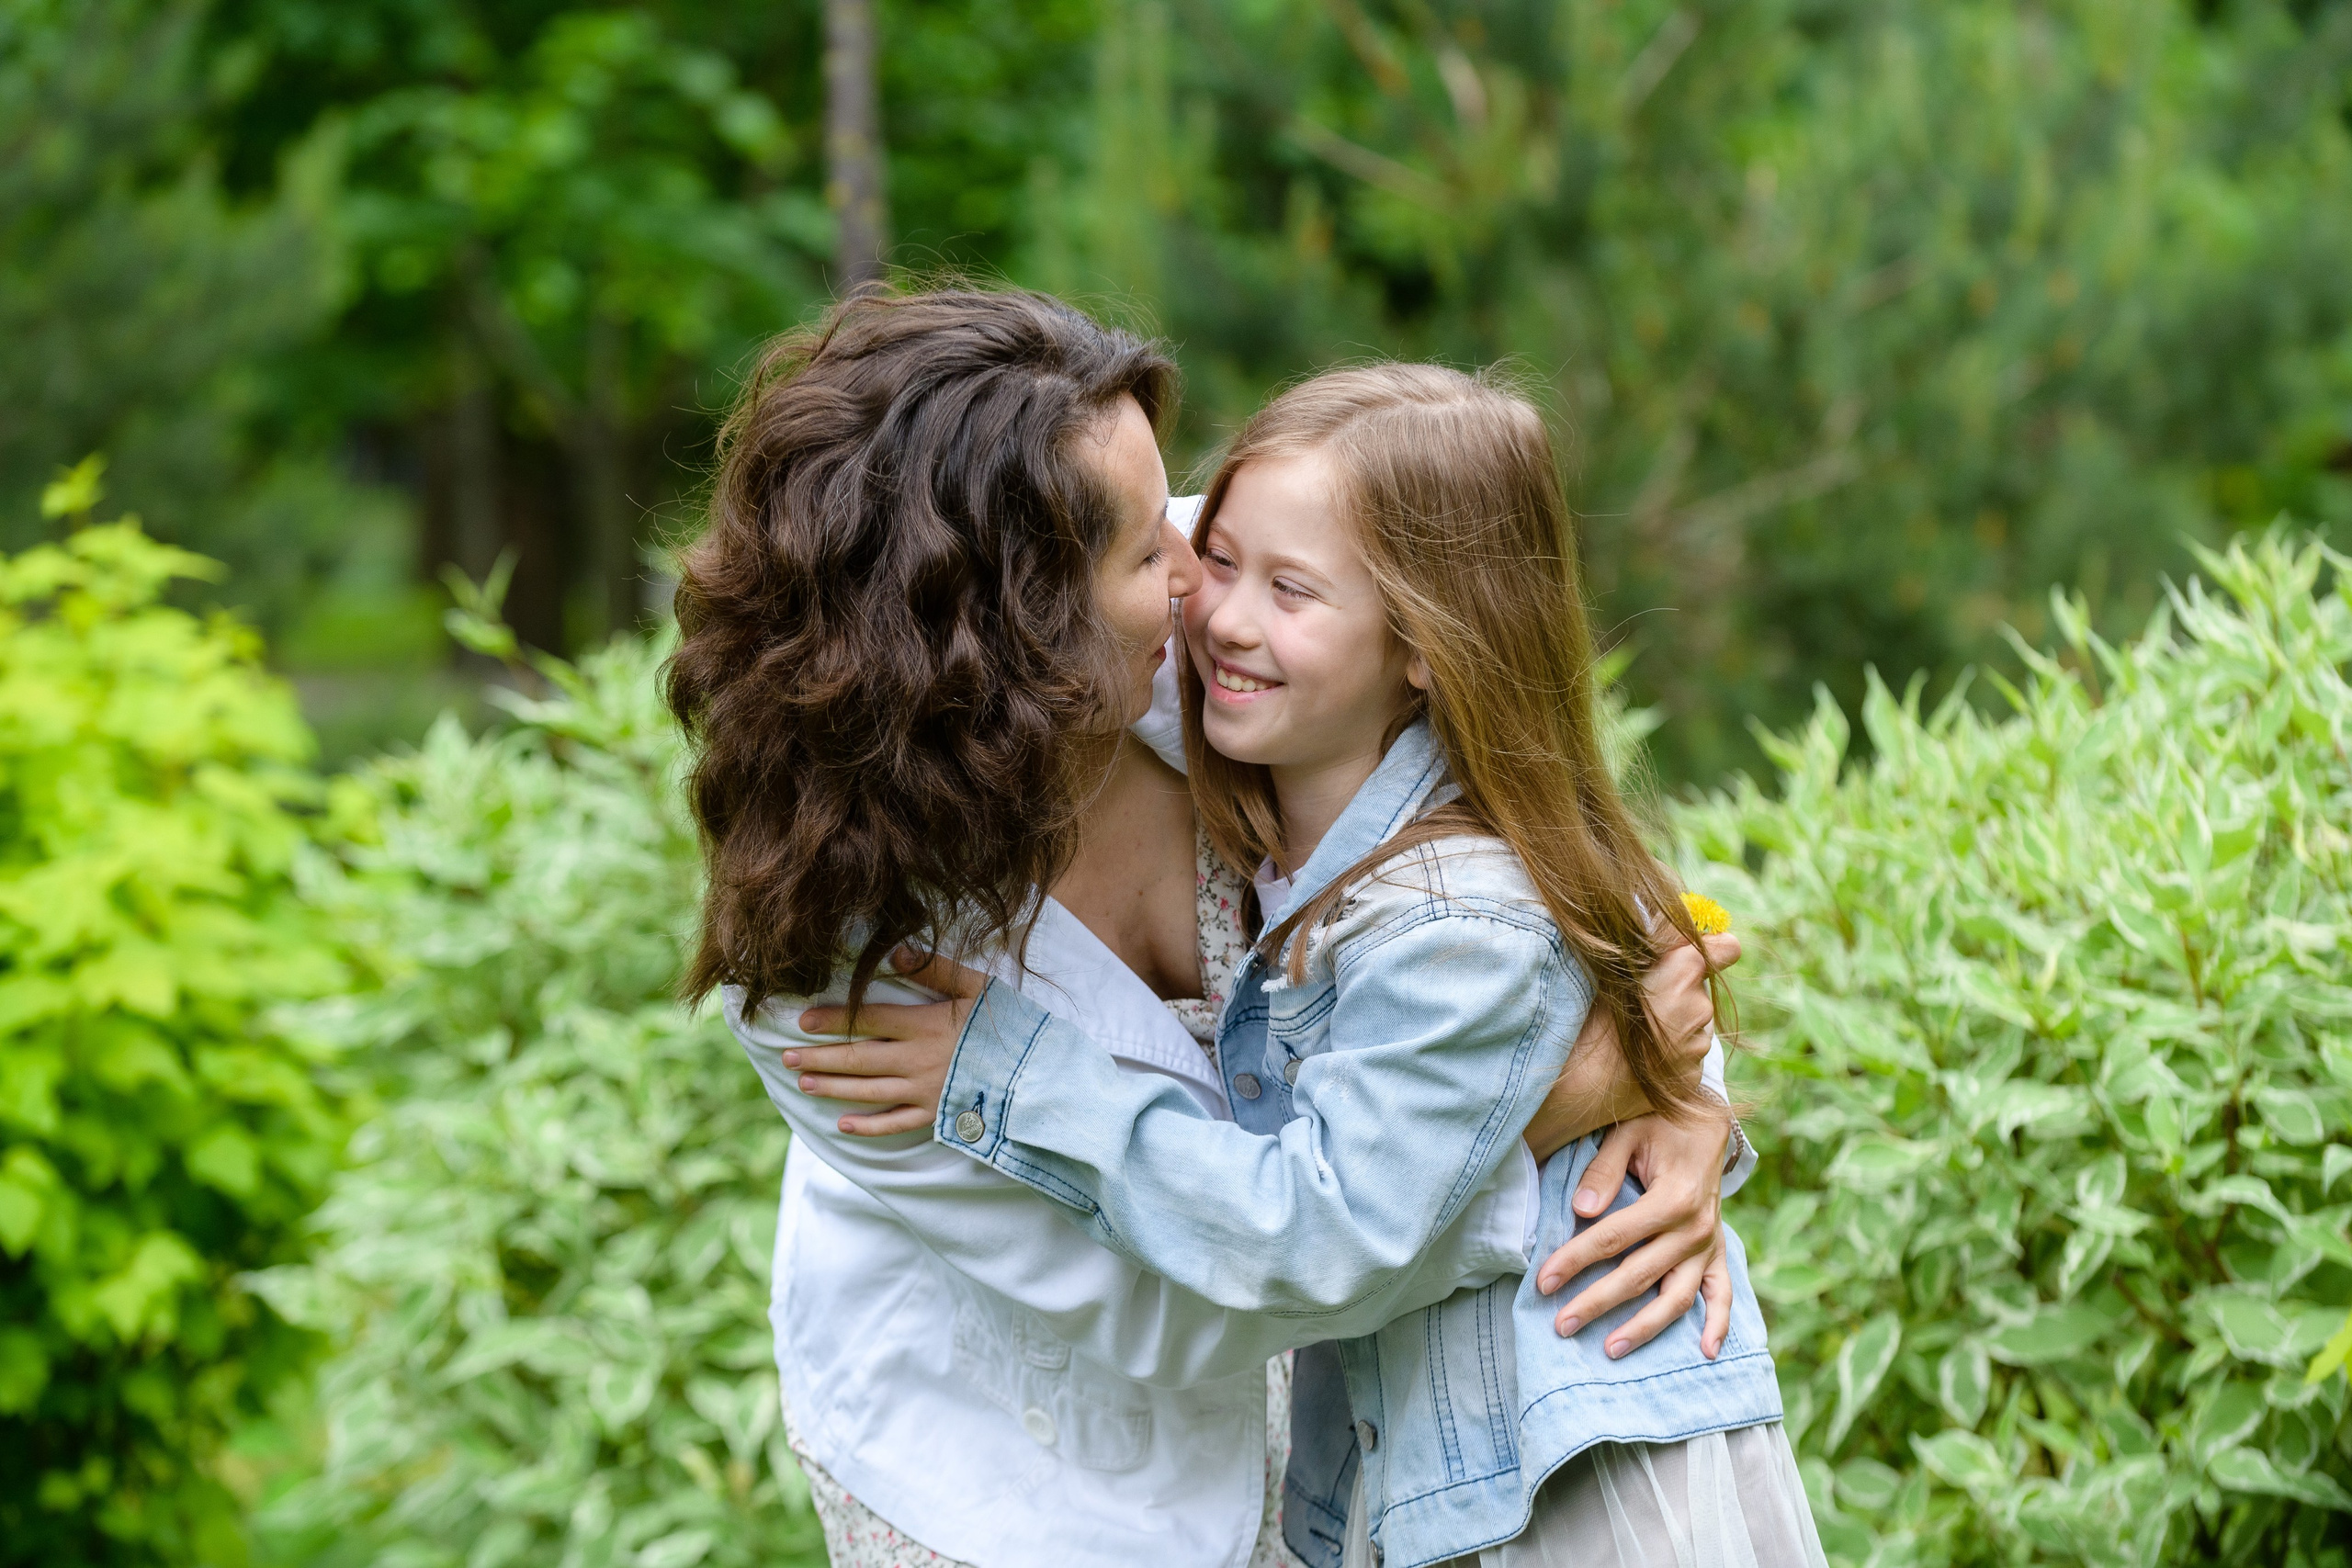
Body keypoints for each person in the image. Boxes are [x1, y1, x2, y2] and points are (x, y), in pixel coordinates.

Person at [668, 288, 1749, 1568]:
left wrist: (1677, 1093)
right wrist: (1545, 1123)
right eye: (1150, 553)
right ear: (1013, 640)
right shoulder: (835, 988)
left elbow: (1540, 867)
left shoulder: (1237, 618)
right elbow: (1195, 1306)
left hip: (1335, 1431)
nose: (1199, 576)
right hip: (1026, 1463)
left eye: (1187, 515)